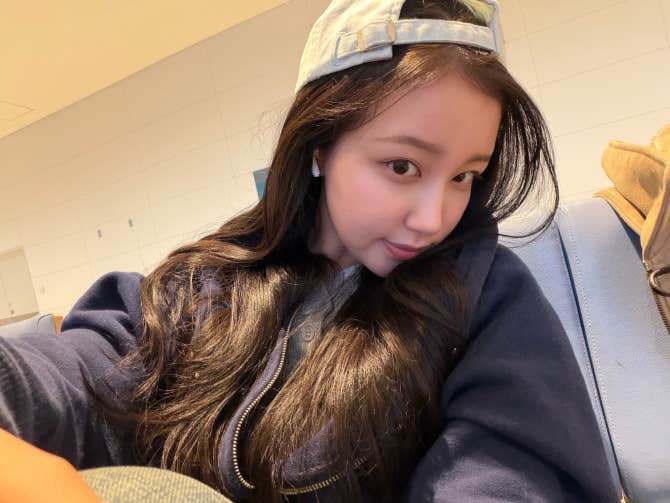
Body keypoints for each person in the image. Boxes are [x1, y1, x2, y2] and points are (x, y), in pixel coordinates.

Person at [0, 0, 619, 501]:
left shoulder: (485, 297)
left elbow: (512, 473)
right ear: (320, 147)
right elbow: (64, 377)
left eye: (464, 176)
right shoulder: (191, 292)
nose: (434, 218)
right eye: (402, 166)